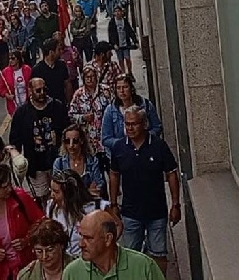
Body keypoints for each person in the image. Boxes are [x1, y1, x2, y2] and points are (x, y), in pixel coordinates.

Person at [109, 106, 180, 275]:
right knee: (131, 255)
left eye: (134, 124)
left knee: (158, 254)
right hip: (130, 213)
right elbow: (114, 175)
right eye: (127, 124)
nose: (130, 128)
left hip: (156, 212)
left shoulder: (158, 145)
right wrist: (113, 204)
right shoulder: (119, 148)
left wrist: (175, 205)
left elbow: (171, 174)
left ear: (144, 124)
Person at [9, 78, 70, 207]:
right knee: (42, 198)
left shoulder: (57, 107)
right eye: (38, 90)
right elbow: (15, 139)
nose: (42, 93)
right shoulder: (22, 113)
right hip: (35, 164)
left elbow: (68, 129)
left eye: (44, 89)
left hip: (57, 161)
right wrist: (18, 161)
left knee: (62, 194)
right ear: (30, 91)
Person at [62, 211, 165, 280]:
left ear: (108, 239)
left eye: (88, 238)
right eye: (81, 236)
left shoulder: (144, 267)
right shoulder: (72, 274)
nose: (81, 244)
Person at [45, 169, 115, 257]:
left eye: (56, 192)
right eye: (51, 190)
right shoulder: (51, 207)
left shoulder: (97, 207)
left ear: (70, 193)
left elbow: (117, 225)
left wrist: (105, 248)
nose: (52, 195)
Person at [101, 74, 162, 156]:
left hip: (146, 152)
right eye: (118, 88)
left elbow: (157, 127)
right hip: (122, 155)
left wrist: (144, 138)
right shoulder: (110, 110)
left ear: (131, 88)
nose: (122, 91)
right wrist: (124, 144)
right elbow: (106, 138)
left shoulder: (146, 105)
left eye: (125, 87)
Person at [68, 65, 112, 157]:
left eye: (92, 76)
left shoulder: (106, 91)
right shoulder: (78, 95)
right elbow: (71, 115)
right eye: (87, 77)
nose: (90, 79)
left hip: (106, 135)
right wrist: (83, 117)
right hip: (88, 139)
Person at [52, 126, 104, 197]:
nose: (71, 145)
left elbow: (98, 188)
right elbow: (57, 190)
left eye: (75, 141)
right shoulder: (59, 163)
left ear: (81, 141)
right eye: (67, 141)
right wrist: (86, 192)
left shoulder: (93, 161)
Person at [31, 38, 73, 105]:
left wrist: (69, 102)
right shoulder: (37, 70)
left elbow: (67, 84)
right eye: (58, 50)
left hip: (61, 104)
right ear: (51, 52)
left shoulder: (62, 65)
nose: (61, 52)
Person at [0, 50, 32, 116]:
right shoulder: (5, 72)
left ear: (18, 59)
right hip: (13, 106)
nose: (10, 61)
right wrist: (7, 95)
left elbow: (32, 83)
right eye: (9, 59)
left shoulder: (27, 69)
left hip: (27, 103)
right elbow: (1, 88)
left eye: (13, 58)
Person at [108, 5, 138, 77]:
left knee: (127, 58)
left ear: (122, 12)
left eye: (119, 11)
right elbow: (111, 34)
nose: (117, 13)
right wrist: (113, 44)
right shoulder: (112, 22)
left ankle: (130, 72)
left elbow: (130, 31)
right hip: (118, 45)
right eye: (116, 11)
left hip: (125, 43)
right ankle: (123, 73)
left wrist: (135, 41)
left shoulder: (124, 21)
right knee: (121, 60)